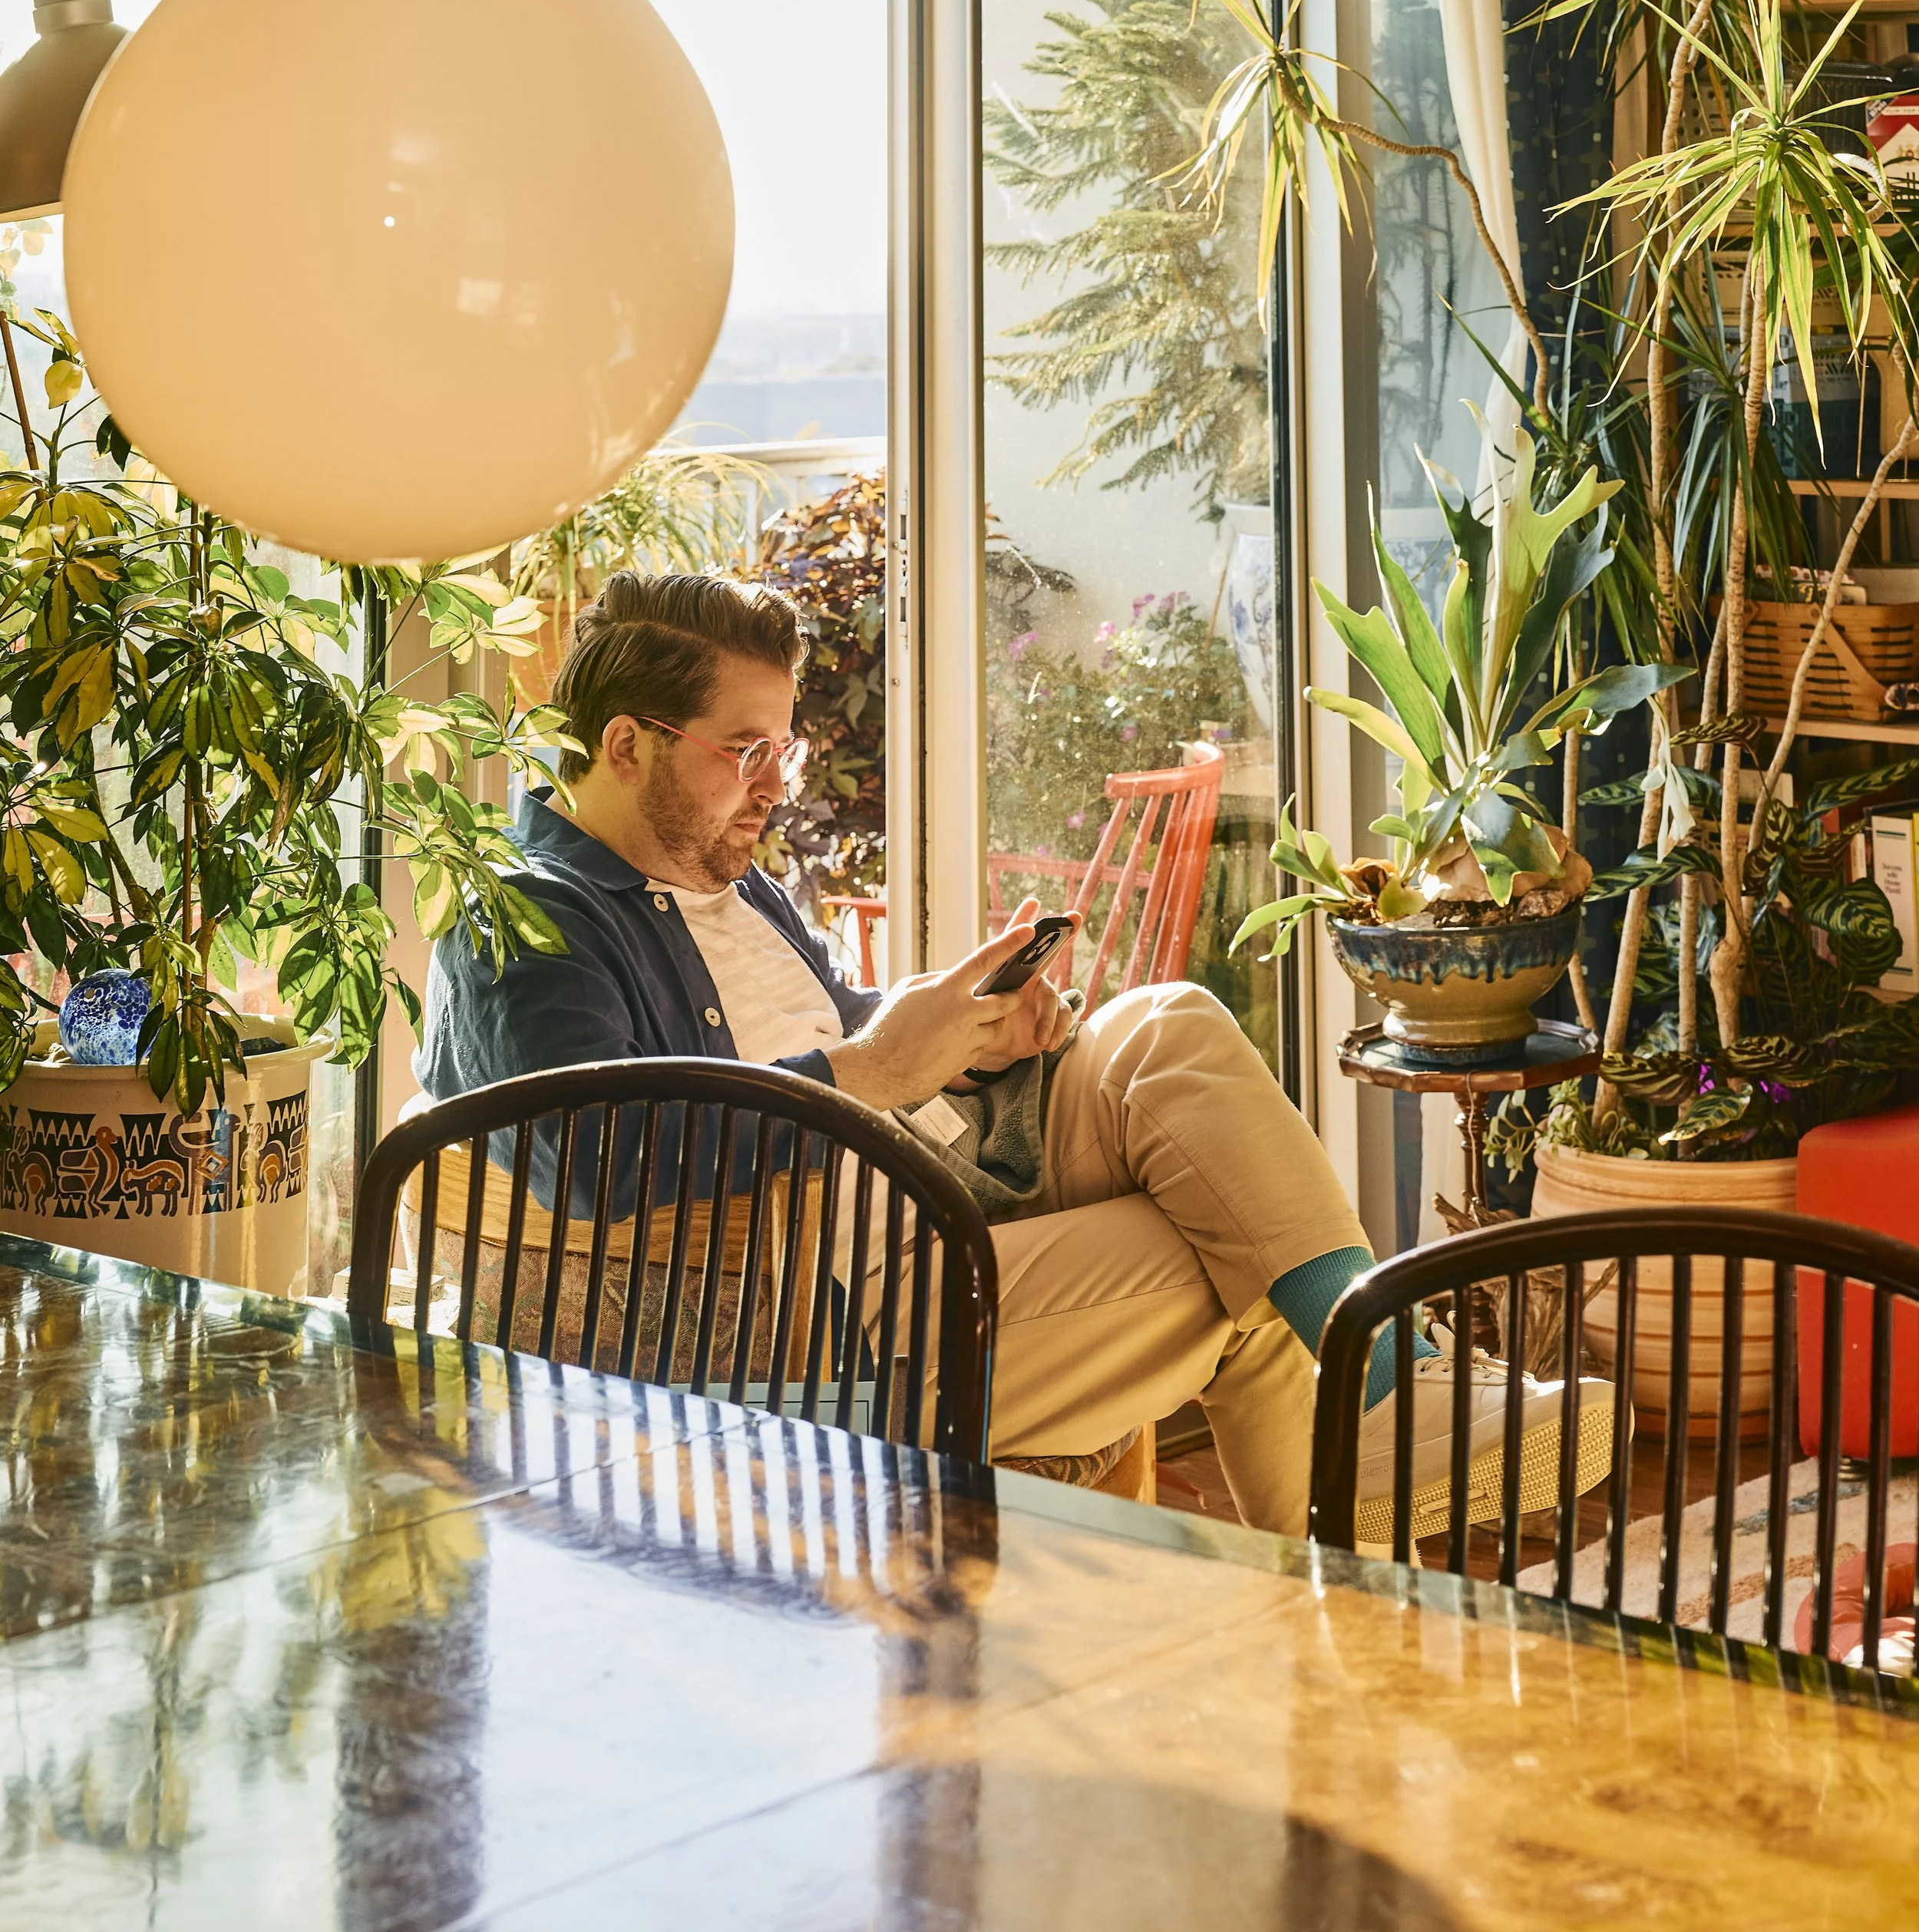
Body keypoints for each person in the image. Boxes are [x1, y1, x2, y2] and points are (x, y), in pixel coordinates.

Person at [422, 570, 1610, 1540]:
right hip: (841, 1310)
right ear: (626, 743)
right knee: (1244, 1249)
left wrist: (961, 1029)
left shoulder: (737, 884)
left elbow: (827, 1028)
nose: (772, 790)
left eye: (782, 753)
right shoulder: (528, 920)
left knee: (1172, 1021)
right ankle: (1361, 1493)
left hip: (947, 1181)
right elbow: (595, 1157)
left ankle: (1391, 1387)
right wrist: (878, 1071)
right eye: (747, 751)